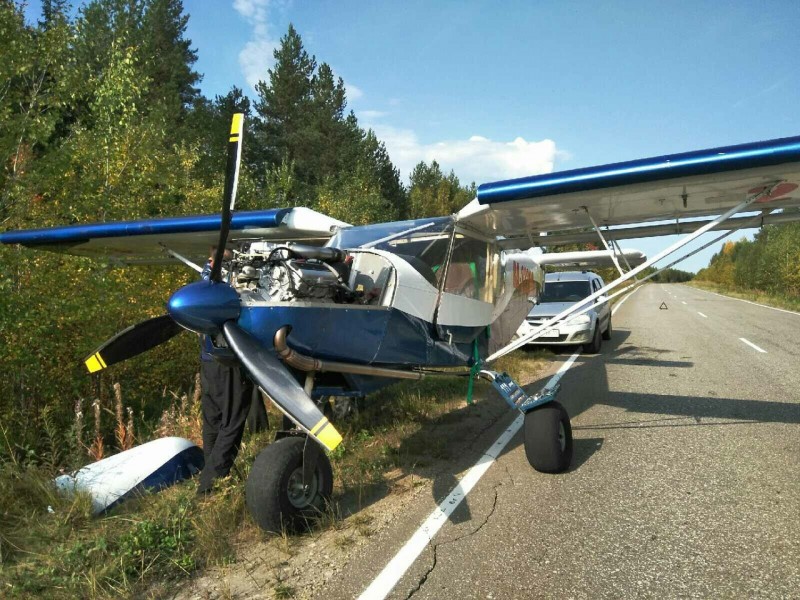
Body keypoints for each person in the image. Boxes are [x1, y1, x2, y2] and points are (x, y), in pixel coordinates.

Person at [196, 248, 266, 495]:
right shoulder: (224, 283)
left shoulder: (202, 283)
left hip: (208, 358)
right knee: (233, 420)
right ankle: (211, 483)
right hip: (229, 358)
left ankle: (210, 475)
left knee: (213, 420)